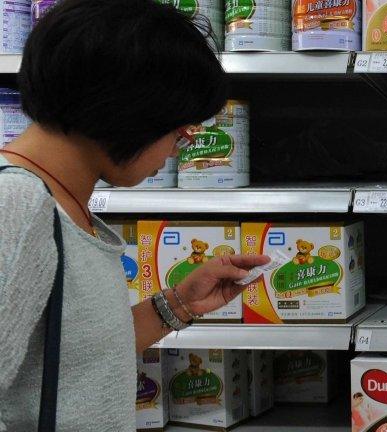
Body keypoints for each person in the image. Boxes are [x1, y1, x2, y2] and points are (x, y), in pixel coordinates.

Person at [0, 0, 267, 430]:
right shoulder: (16, 208)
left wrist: (177, 304)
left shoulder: (61, 203)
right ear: (129, 109)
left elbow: (76, 362)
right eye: (180, 130)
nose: (177, 148)